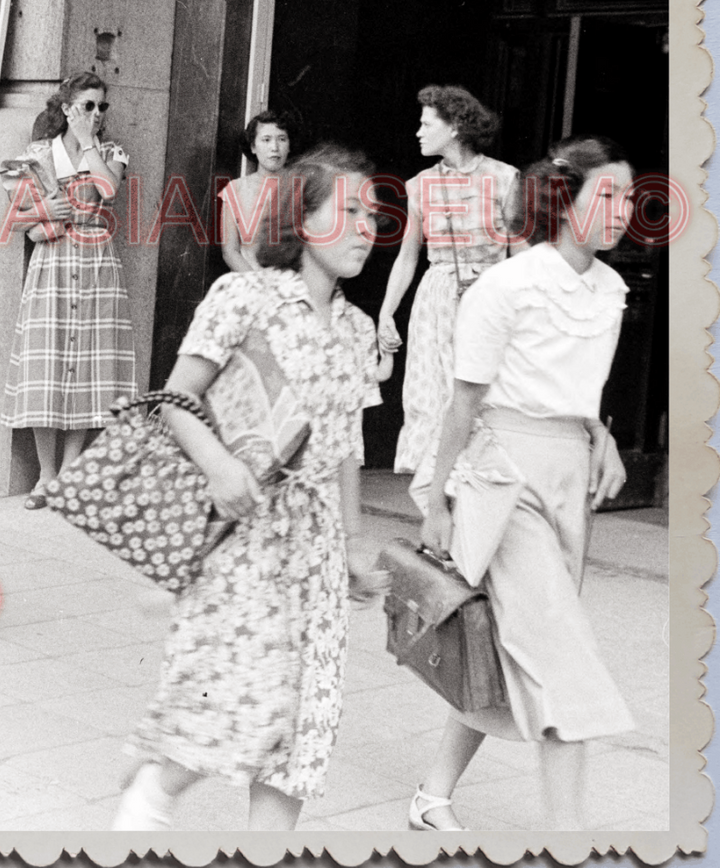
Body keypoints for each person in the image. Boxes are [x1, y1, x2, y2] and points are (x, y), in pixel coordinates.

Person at [113, 145, 388, 831]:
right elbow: (174, 399)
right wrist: (217, 464)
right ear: (302, 216)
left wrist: (353, 545)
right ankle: (151, 793)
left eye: (373, 215)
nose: (365, 227)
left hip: (315, 544)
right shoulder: (244, 296)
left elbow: (347, 442)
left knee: (299, 724)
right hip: (241, 536)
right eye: (348, 210)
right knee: (241, 696)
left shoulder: (356, 329)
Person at [409, 136, 635, 831]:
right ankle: (567, 839)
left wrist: (602, 436)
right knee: (564, 668)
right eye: (608, 195)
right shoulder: (507, 285)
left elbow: (572, 391)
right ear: (564, 200)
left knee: (518, 648)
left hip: (569, 484)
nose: (624, 210)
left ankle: (429, 796)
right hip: (503, 482)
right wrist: (436, 502)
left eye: (630, 196)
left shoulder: (609, 288)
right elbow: (464, 403)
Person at [376, 86, 520, 502]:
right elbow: (407, 256)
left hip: (490, 297)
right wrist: (387, 312)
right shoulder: (420, 186)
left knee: (483, 398)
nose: (418, 132)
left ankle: (477, 504)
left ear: (455, 127)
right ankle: (435, 505)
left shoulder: (504, 178)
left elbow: (519, 255)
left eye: (426, 124)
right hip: (437, 298)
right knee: (432, 398)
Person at [0, 71, 135, 509]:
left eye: (101, 107)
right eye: (87, 105)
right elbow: (13, 217)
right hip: (53, 263)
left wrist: (88, 142)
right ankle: (46, 474)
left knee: (89, 365)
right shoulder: (39, 153)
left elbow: (107, 190)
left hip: (95, 262)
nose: (96, 114)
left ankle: (70, 472)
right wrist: (44, 211)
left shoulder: (111, 152)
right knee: (48, 362)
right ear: (66, 107)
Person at [220, 110, 294, 273]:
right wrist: (259, 286)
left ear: (289, 145)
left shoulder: (303, 189)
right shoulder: (236, 190)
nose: (275, 148)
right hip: (249, 287)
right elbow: (230, 252)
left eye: (281, 139)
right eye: (266, 140)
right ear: (253, 147)